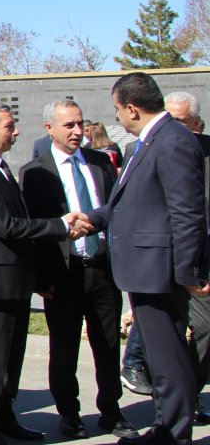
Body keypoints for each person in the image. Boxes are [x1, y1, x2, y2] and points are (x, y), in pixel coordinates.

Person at [84, 72, 209, 445]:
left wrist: (188, 271)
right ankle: (166, 427)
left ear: (133, 109)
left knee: (168, 360)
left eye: (118, 109)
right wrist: (94, 217)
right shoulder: (151, 140)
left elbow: (187, 212)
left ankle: (172, 434)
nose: (117, 117)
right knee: (162, 358)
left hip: (161, 271)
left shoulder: (171, 141)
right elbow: (135, 203)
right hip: (146, 269)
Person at [0, 102, 80, 444]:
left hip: (16, 280)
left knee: (12, 359)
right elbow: (6, 226)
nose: (16, 132)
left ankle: (5, 418)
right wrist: (60, 225)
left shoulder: (1, 169)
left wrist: (40, 279)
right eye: (10, 126)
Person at [19, 99, 138, 440]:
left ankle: (111, 411)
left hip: (102, 270)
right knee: (65, 348)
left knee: (106, 345)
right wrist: (42, 280)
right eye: (69, 125)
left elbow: (116, 210)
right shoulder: (36, 172)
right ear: (49, 129)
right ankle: (69, 413)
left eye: (80, 123)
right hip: (64, 274)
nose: (77, 131)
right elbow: (35, 229)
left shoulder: (101, 163)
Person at [164, 91, 210, 424]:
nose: (171, 126)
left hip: (202, 253)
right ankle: (168, 401)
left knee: (205, 327)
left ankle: (190, 392)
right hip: (163, 253)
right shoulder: (146, 149)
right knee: (165, 328)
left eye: (178, 120)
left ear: (195, 122)